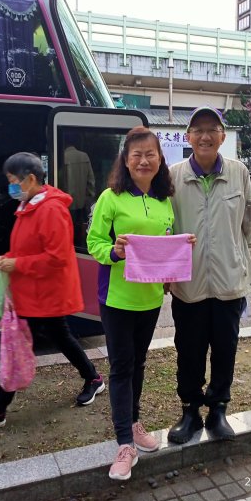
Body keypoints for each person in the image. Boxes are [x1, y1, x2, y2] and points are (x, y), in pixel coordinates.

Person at [0, 152, 105, 433]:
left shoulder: (50, 209)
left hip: (43, 294)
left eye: (13, 181)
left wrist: (16, 263)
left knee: (18, 346)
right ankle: (93, 378)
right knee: (60, 338)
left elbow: (57, 258)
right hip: (34, 292)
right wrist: (9, 259)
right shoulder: (29, 204)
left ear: (31, 179)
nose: (10, 187)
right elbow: (28, 247)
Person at [87, 127, 176, 481]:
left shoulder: (164, 201)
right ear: (126, 160)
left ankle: (135, 422)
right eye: (136, 154)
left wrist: (181, 253)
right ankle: (125, 443)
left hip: (151, 299)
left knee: (138, 363)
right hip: (117, 298)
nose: (143, 160)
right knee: (122, 367)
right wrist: (113, 251)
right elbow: (93, 242)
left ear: (159, 160)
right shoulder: (111, 197)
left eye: (150, 154)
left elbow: (166, 247)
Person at [167, 105, 251, 445]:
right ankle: (190, 410)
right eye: (198, 129)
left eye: (212, 129)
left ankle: (218, 408)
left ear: (222, 136)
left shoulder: (238, 173)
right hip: (187, 286)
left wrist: (243, 261)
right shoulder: (173, 176)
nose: (205, 136)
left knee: (225, 349)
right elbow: (166, 228)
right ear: (188, 137)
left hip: (229, 286)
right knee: (188, 350)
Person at [62, 132, 95, 245]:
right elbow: (91, 181)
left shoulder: (61, 157)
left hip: (66, 205)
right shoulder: (84, 156)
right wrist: (88, 199)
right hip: (81, 204)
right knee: (79, 231)